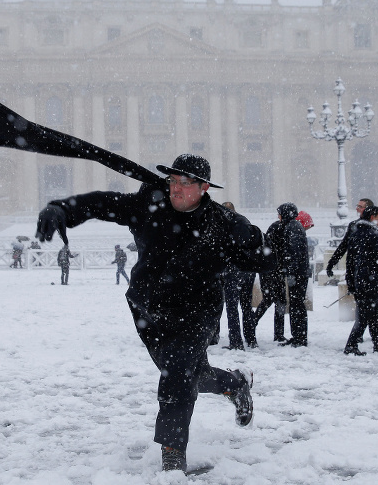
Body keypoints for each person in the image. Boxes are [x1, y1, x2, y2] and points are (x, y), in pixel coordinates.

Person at [35, 153, 260, 472]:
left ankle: (173, 454)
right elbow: (102, 202)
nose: (176, 189)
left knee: (178, 373)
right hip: (151, 309)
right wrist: (63, 208)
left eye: (185, 183)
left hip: (197, 309)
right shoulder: (147, 205)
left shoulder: (221, 221)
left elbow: (258, 253)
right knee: (190, 374)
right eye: (172, 182)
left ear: (204, 187)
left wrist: (253, 247)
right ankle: (234, 384)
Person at [342, 206, 378, 355]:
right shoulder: (374, 234)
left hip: (360, 279)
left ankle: (377, 342)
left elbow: (350, 260)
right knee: (367, 313)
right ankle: (352, 344)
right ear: (373, 217)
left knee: (372, 313)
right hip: (371, 280)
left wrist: (351, 281)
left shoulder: (356, 232)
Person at [326, 198, 378, 285]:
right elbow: (343, 246)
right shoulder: (353, 226)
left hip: (372, 273)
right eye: (357, 206)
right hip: (354, 270)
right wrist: (331, 264)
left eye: (360, 206)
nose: (357, 208)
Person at [266, 203, 310, 347]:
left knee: (297, 306)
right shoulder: (294, 226)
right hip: (299, 273)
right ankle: (298, 336)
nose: (278, 216)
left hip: (297, 274)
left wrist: (290, 272)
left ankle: (300, 338)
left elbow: (293, 252)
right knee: (296, 305)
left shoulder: (292, 227)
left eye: (279, 213)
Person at [220, 202, 257, 350]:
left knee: (232, 307)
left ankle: (236, 341)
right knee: (246, 306)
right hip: (248, 269)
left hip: (233, 271)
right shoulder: (244, 221)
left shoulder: (225, 225)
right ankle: (251, 338)